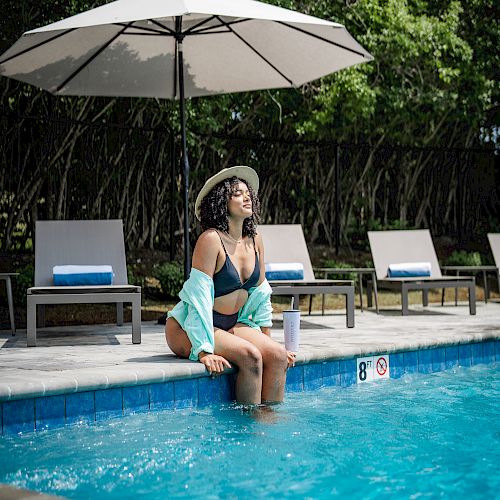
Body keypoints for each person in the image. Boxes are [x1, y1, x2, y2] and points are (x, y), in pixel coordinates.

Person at [165, 166, 295, 405]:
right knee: (251, 357)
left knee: (276, 356)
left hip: (232, 323)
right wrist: (204, 351)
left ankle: (268, 426)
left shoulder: (255, 239)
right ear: (221, 202)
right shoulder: (211, 240)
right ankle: (246, 427)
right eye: (237, 193)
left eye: (248, 193)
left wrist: (268, 341)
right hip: (188, 327)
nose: (246, 197)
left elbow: (261, 292)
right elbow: (198, 298)